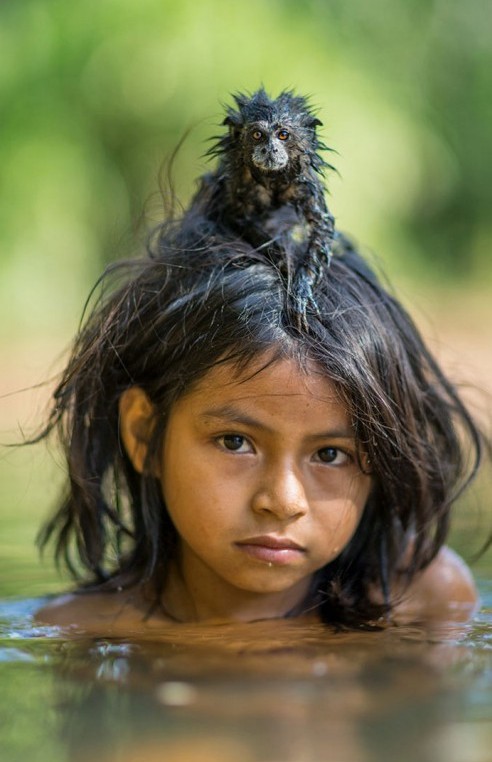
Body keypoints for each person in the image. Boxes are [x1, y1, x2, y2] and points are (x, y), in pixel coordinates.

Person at [35, 211, 484, 633]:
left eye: (330, 455)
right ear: (145, 434)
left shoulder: (420, 605)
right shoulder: (82, 631)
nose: (284, 501)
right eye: (235, 442)